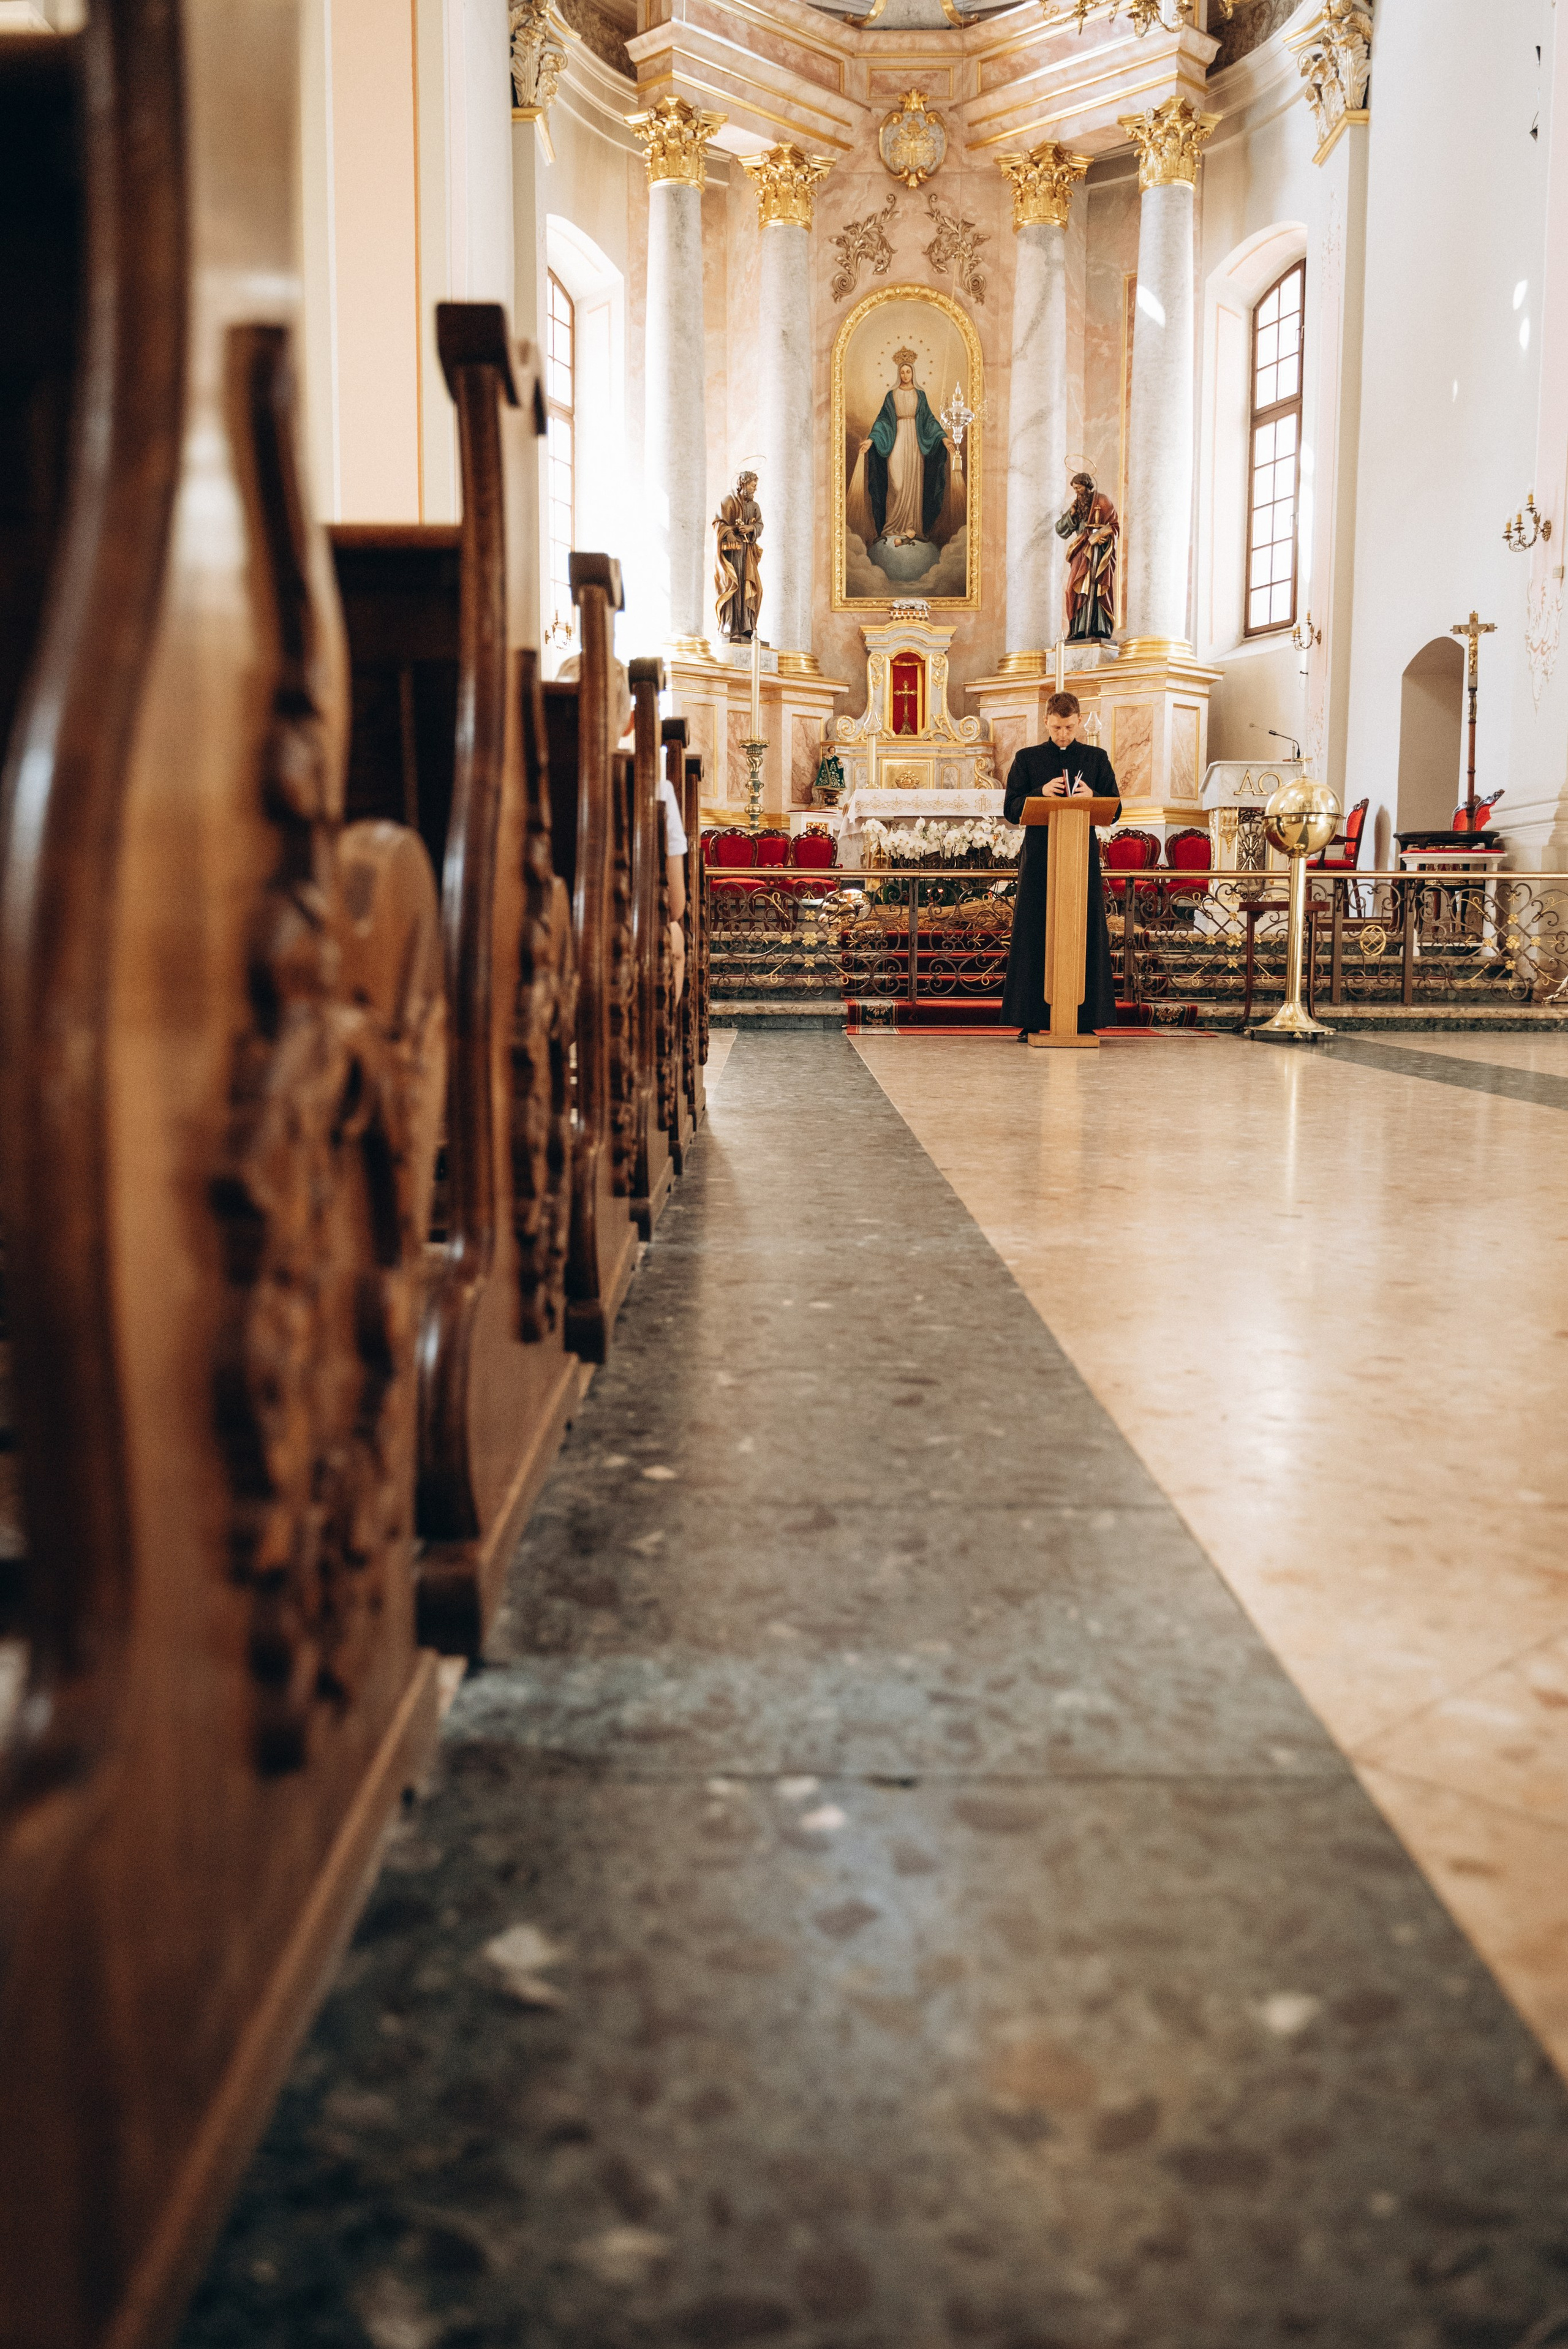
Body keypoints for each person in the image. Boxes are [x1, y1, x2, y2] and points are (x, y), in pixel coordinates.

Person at [1000, 691, 1121, 1038]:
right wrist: (1039, 792)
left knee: (1085, 930)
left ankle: (1084, 1020)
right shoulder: (1027, 758)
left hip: (1080, 856)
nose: (1063, 735)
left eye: (1069, 727)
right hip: (1040, 857)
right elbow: (1011, 809)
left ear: (1079, 721)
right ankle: (1031, 1019)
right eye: (1056, 728)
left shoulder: (1096, 758)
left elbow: (1114, 809)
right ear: (1046, 722)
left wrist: (1092, 797)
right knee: (1034, 931)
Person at [846, 353, 963, 552]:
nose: (906, 375)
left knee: (912, 484)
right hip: (897, 439)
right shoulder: (891, 396)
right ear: (898, 374)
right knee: (897, 483)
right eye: (902, 372)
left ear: (913, 373)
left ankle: (911, 528)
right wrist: (871, 439)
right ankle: (892, 527)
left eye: (908, 371)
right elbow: (883, 420)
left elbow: (929, 420)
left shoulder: (921, 395)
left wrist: (943, 438)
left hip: (915, 443)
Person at [1055, 469, 1119, 644]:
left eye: (1079, 488)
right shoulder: (1077, 507)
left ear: (1087, 486)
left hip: (1100, 553)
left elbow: (1114, 527)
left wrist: (1100, 536)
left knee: (1095, 588)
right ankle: (1078, 629)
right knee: (1073, 589)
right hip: (1081, 552)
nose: (1076, 492)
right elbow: (1061, 530)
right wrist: (1072, 515)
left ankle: (1098, 628)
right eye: (1074, 489)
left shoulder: (1103, 501)